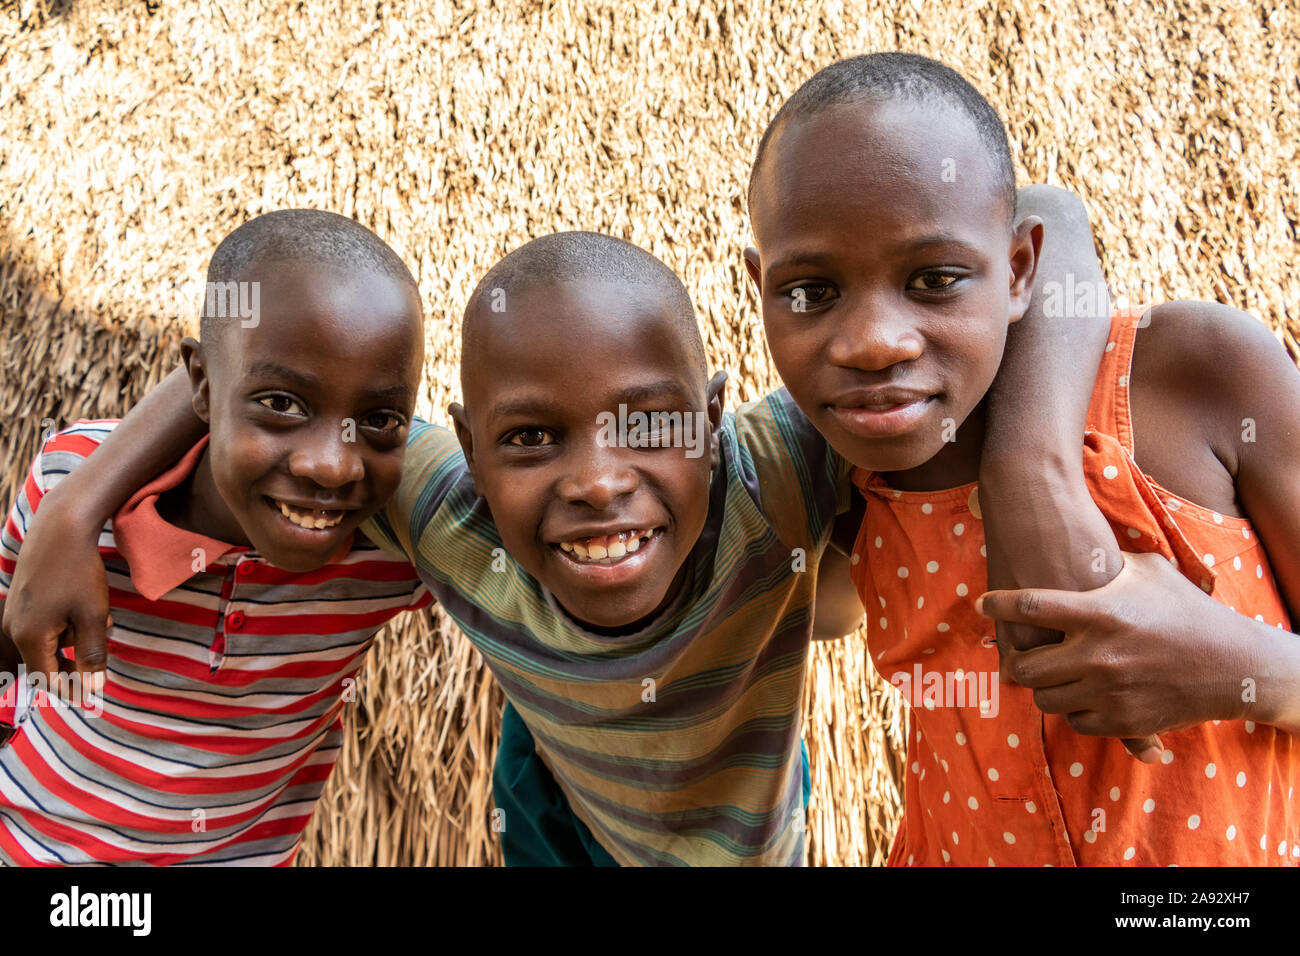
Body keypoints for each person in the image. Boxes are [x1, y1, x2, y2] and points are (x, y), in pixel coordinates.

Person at [5, 220, 1113, 865]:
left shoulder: (774, 469)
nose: (593, 479)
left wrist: (1031, 468)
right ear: (473, 458)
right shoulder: (424, 505)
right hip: (551, 811)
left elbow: (1046, 215)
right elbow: (250, 374)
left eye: (648, 420)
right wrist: (75, 504)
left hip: (740, 830)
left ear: (717, 414)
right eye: (532, 438)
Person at [745, 51, 1300, 865]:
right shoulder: (836, 484)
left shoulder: (1199, 375)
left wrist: (1239, 666)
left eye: (934, 279)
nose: (873, 343)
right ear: (759, 288)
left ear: (1020, 270)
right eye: (812, 292)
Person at [0, 209, 433, 864]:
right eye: (283, 404)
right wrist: (77, 508)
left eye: (377, 419)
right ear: (200, 382)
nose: (332, 465)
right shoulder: (70, 477)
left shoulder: (393, 553)